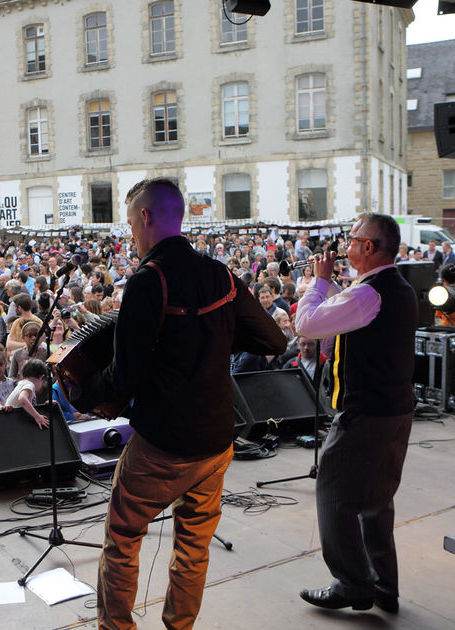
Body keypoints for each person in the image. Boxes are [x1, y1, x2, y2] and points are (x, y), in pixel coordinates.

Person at [71, 178, 286, 629]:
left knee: (123, 538)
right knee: (193, 547)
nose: (130, 233)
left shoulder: (149, 282)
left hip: (163, 445)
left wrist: (82, 394)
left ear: (146, 218)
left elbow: (124, 376)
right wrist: (212, 341)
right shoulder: (221, 274)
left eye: (130, 223)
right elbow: (272, 338)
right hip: (215, 441)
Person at [294, 212, 417, 614]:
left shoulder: (369, 294)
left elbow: (307, 324)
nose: (345, 246)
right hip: (396, 409)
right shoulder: (396, 287)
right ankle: (384, 585)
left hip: (367, 413)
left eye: (351, 239)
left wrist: (320, 279)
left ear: (368, 247)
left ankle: (353, 583)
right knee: (377, 500)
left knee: (334, 493)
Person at [3, 358, 50, 428]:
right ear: (41, 377)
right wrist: (37, 417)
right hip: (13, 421)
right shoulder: (29, 385)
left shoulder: (22, 383)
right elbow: (22, 399)